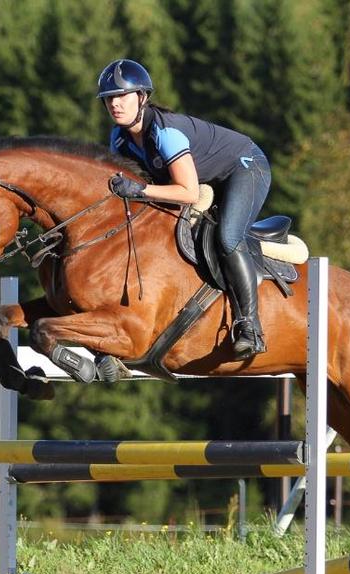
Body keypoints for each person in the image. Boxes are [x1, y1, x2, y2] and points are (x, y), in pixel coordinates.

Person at [97, 58, 270, 359]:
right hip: (206, 178)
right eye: (109, 99)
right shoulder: (119, 139)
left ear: (142, 97)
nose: (115, 104)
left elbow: (188, 193)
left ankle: (249, 327)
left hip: (244, 167)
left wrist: (140, 190)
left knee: (228, 237)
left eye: (122, 96)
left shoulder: (166, 133)